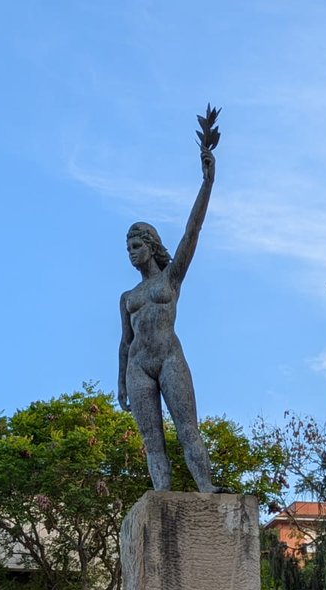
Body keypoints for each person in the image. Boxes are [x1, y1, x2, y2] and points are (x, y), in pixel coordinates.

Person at [118, 137, 218, 494]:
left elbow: (193, 233)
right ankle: (161, 496)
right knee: (153, 442)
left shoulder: (170, 279)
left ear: (151, 245)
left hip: (168, 357)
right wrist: (119, 383)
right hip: (137, 367)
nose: (131, 253)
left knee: (187, 428)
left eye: (137, 246)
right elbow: (124, 342)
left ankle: (206, 486)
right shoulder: (128, 297)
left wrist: (207, 182)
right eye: (127, 248)